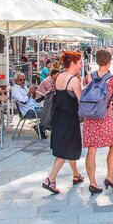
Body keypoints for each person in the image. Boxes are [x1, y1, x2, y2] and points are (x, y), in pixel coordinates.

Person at [83, 49, 113, 195]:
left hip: (90, 117)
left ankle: (92, 182)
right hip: (105, 117)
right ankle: (110, 177)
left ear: (97, 61)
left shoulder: (88, 77)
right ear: (109, 61)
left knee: (91, 149)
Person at [42, 51, 85, 194]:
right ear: (72, 64)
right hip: (69, 119)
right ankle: (50, 179)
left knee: (68, 148)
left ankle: (76, 175)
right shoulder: (73, 80)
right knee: (64, 151)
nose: (81, 65)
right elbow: (81, 101)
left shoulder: (60, 76)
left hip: (59, 118)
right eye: (79, 63)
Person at [12, 72, 47, 137]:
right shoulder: (15, 90)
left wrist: (33, 93)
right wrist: (29, 92)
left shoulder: (24, 87)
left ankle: (41, 127)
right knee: (47, 113)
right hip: (28, 111)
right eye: (20, 80)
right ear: (15, 81)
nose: (22, 81)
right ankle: (41, 127)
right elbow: (23, 101)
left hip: (35, 107)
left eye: (24, 80)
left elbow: (33, 99)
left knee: (50, 110)